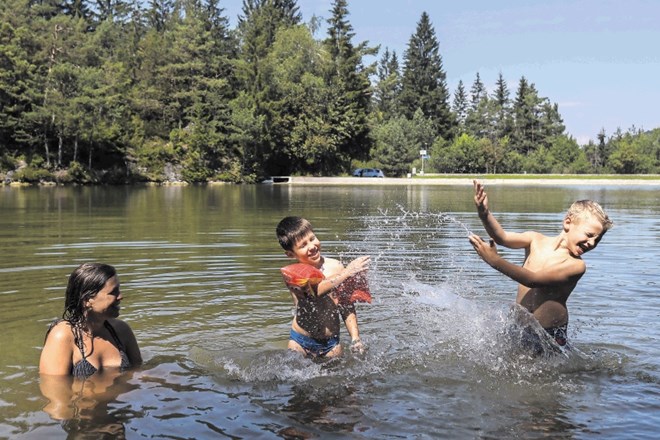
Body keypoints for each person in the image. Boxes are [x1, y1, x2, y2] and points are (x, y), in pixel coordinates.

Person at [468, 180, 613, 349]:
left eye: (598, 239)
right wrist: (484, 214)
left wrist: (495, 261)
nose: (591, 243)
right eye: (589, 235)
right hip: (520, 328)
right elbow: (502, 238)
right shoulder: (534, 239)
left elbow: (533, 280)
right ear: (568, 222)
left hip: (549, 333)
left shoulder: (575, 266)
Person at [276, 216, 371, 358]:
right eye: (303, 245)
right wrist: (347, 272)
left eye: (312, 239)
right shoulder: (292, 274)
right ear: (290, 254)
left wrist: (355, 338)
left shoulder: (336, 267)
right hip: (300, 341)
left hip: (331, 343)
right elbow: (313, 292)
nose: (312, 247)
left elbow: (346, 305)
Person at [40, 263, 142, 377]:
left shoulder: (122, 330)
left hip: (123, 395)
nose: (120, 296)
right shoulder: (62, 335)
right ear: (87, 300)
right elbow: (54, 389)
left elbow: (138, 371)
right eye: (113, 292)